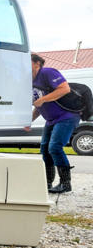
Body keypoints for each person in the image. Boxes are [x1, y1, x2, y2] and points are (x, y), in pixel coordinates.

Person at [26, 54, 80, 193]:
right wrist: (28, 121)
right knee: (45, 149)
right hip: (51, 120)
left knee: (55, 147)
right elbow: (39, 105)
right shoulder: (29, 80)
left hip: (66, 116)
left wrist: (43, 99)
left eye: (27, 61)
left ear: (37, 63)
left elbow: (64, 88)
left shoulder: (47, 72)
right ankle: (47, 183)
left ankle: (65, 184)